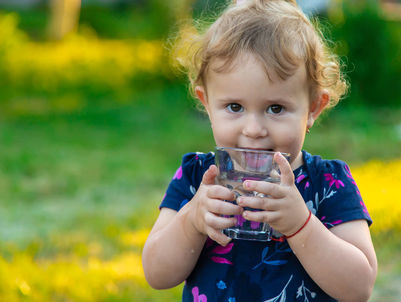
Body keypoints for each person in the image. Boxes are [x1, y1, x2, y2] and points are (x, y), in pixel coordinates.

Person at [142, 0, 377, 301]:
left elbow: (359, 288)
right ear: (207, 105)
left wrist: (301, 225)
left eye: (275, 108)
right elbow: (157, 274)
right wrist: (192, 221)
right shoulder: (198, 179)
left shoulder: (327, 184)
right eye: (234, 107)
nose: (253, 129)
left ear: (314, 108)